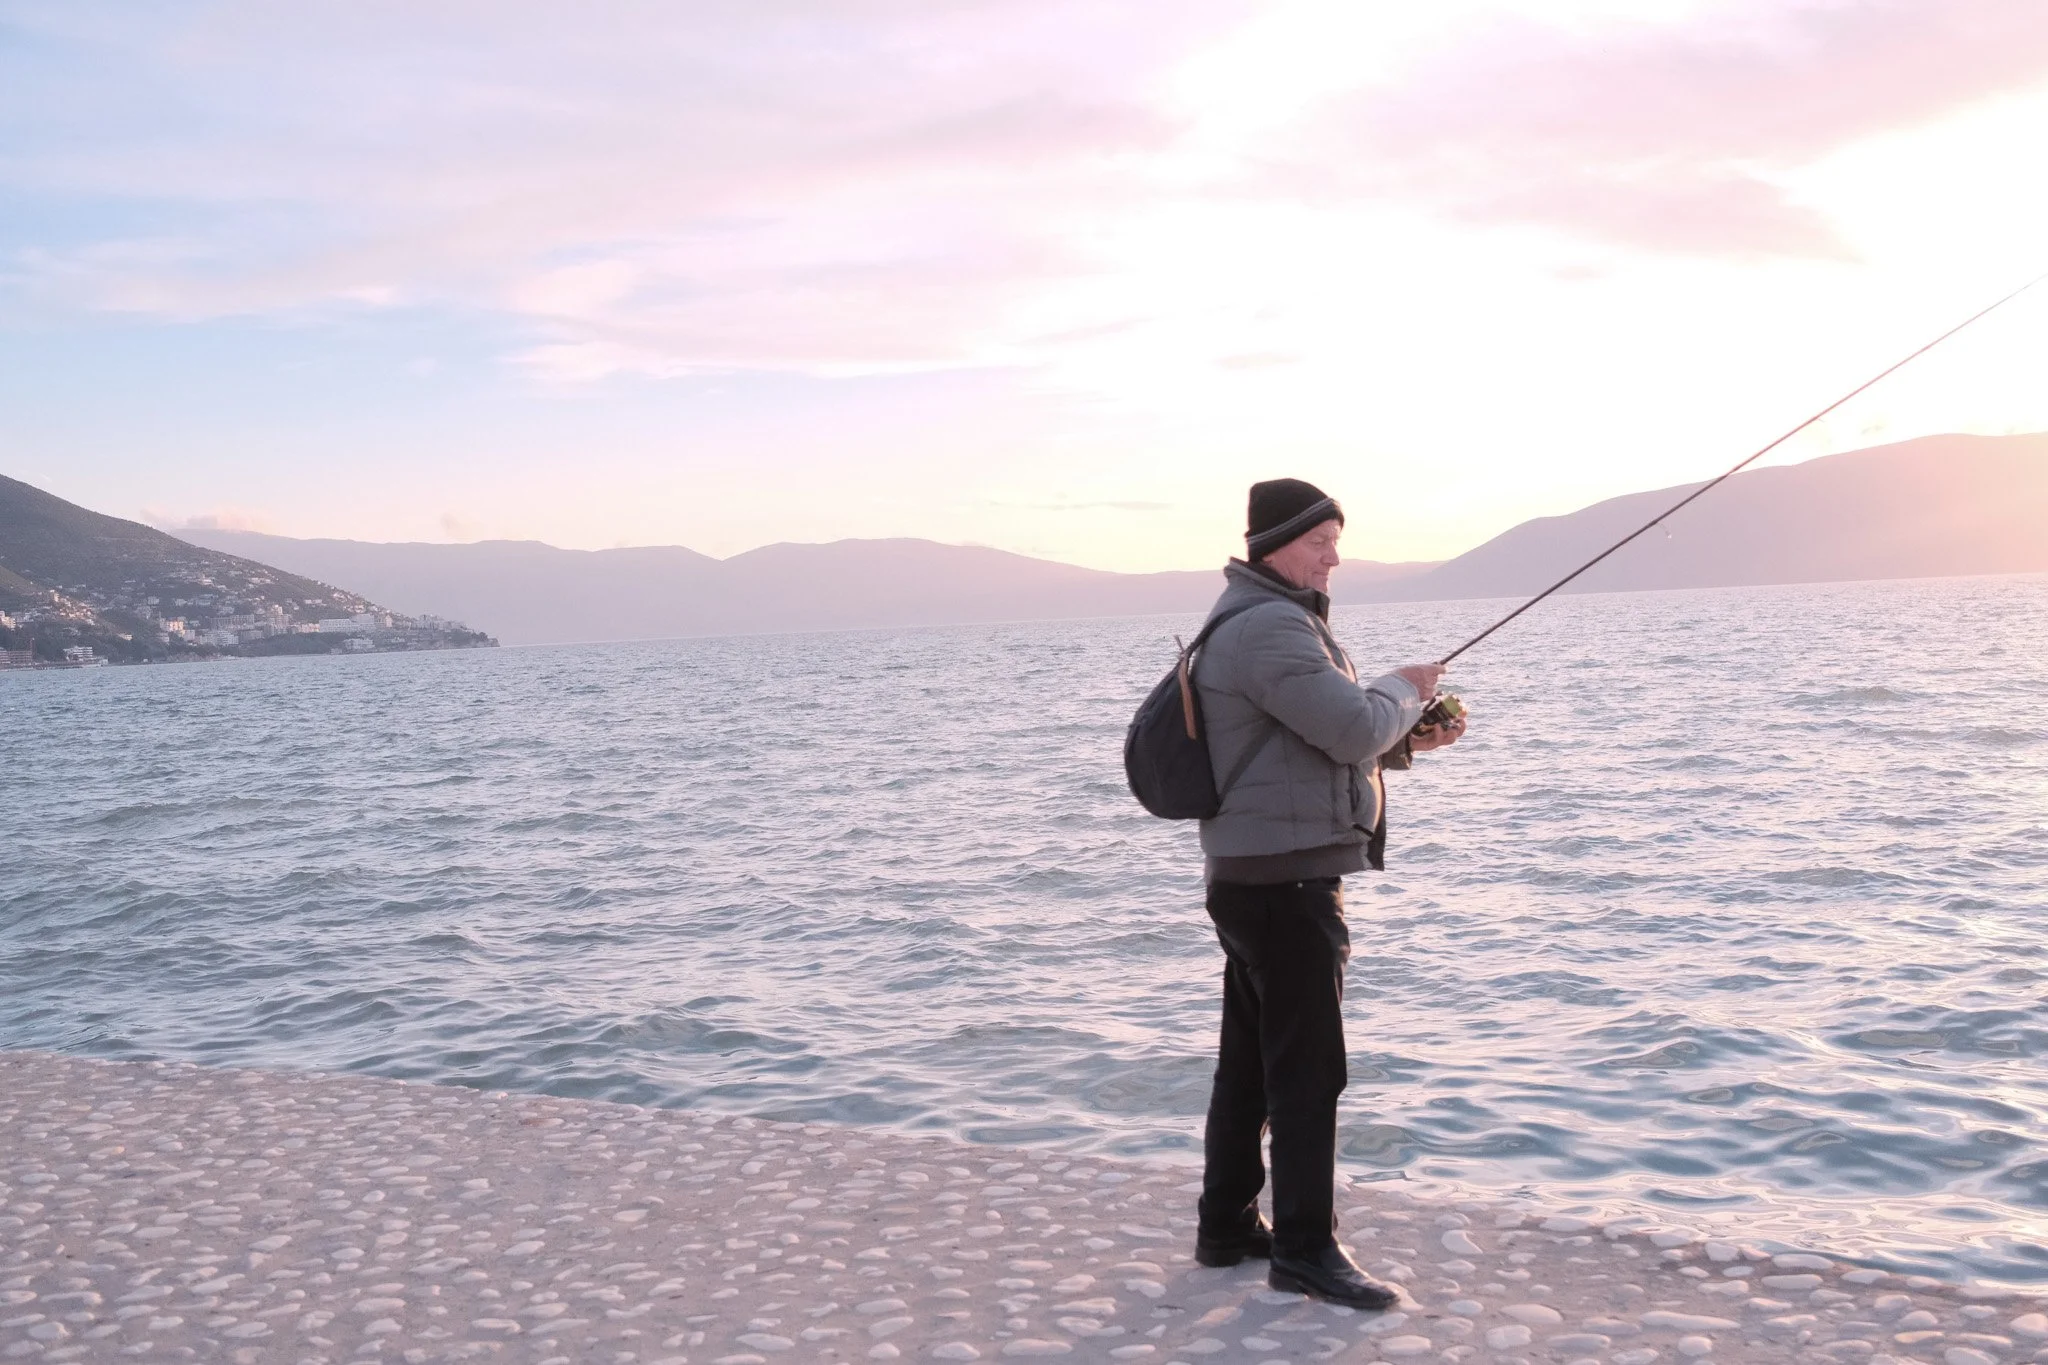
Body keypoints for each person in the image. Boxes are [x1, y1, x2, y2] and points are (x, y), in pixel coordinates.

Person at [1188, 477, 1467, 1309]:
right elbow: (1349, 726)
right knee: (1309, 1073)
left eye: (1335, 542)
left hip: (1260, 875)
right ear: (1274, 544)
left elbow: (1311, 748)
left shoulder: (1260, 619)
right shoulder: (1271, 626)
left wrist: (1408, 740)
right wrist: (1404, 686)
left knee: (1249, 1064)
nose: (1333, 557)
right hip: (1286, 882)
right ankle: (1305, 1249)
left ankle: (1227, 1225)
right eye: (1319, 543)